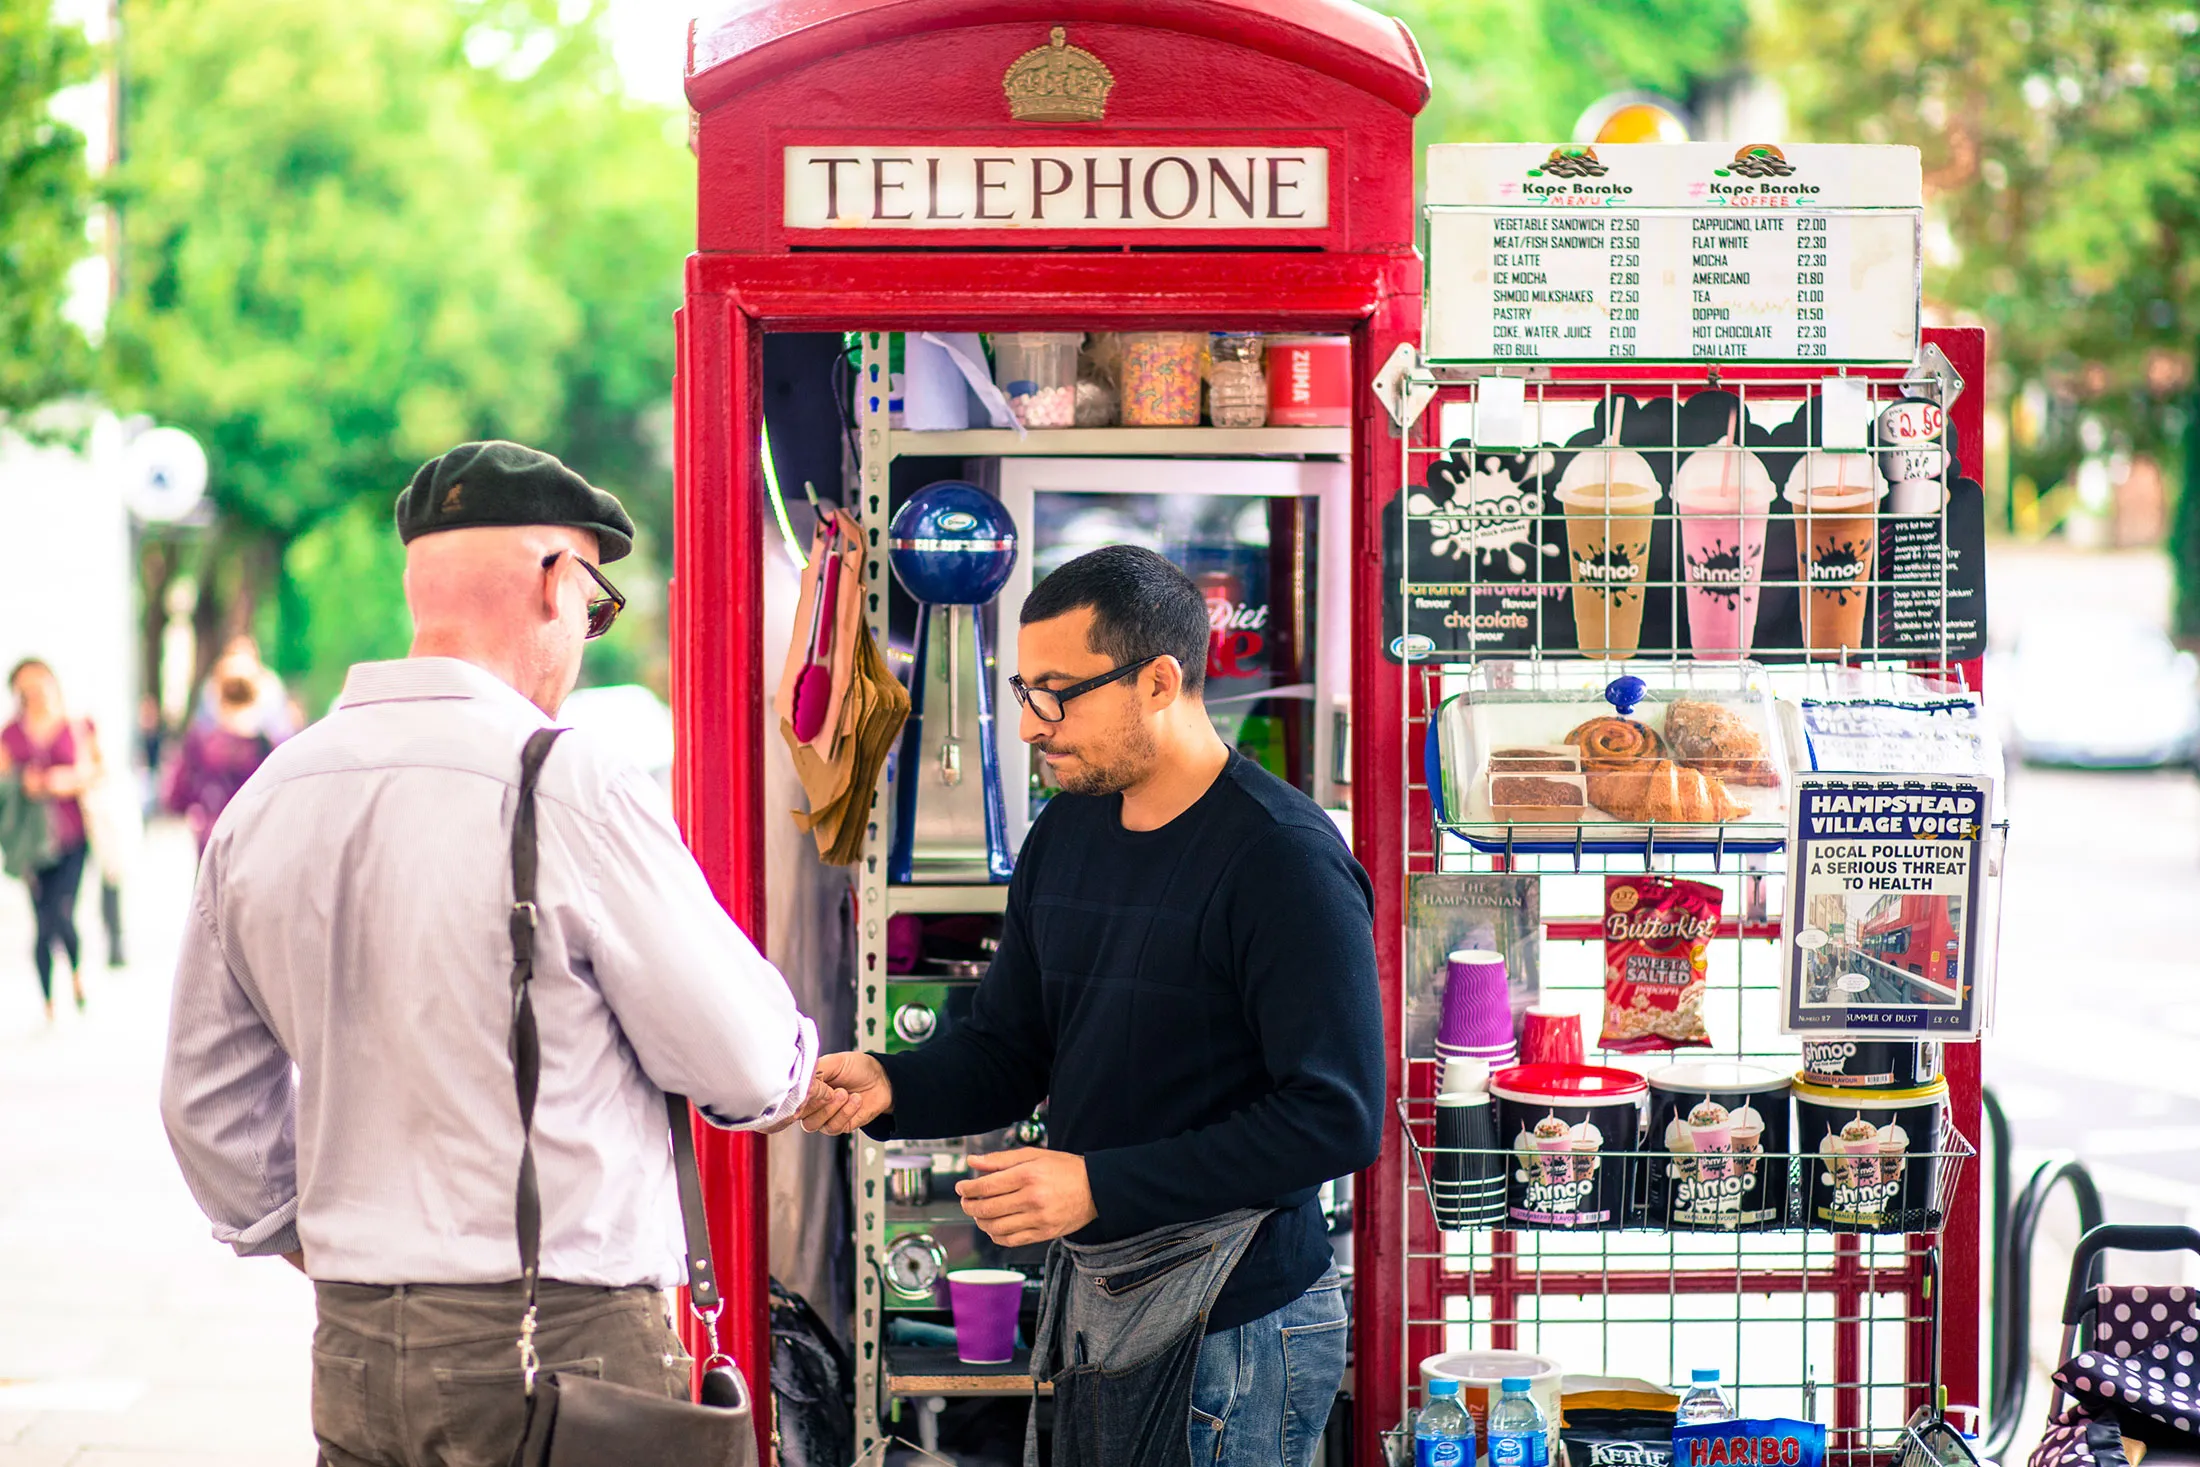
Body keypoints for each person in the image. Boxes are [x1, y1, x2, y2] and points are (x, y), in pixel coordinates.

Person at [160, 441, 818, 1467]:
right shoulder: (567, 784)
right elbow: (740, 1064)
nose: (588, 636)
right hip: (562, 1346)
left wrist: (344, 1245)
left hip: (356, 1348)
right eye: (596, 608)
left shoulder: (274, 793)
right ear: (556, 580)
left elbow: (206, 1099)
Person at [799, 545, 1384, 1467]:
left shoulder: (1284, 859)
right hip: (1098, 1300)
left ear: (1158, 681)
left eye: (1057, 693)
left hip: (1236, 1328)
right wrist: (888, 1083)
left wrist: (1096, 1184)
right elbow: (1008, 1046)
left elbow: (1337, 1117)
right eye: (1024, 689)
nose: (1031, 726)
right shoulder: (1065, 830)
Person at [1, 660, 100, 1021]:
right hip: (32, 842)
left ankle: (75, 972)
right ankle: (48, 1002)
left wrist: (67, 779)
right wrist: (21, 782)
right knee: (41, 922)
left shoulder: (75, 725)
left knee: (62, 913)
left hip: (72, 834)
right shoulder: (10, 735)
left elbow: (96, 770)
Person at [163, 666, 281, 852]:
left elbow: (176, 796)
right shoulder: (267, 747)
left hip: (212, 842)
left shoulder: (201, 743)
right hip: (254, 844)